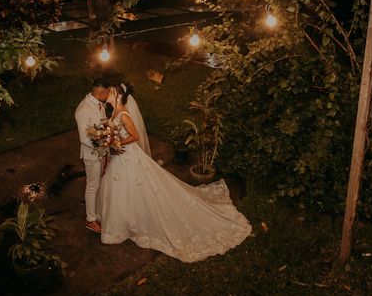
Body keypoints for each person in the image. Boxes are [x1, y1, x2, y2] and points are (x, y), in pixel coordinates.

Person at [96, 85, 251, 262]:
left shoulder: (123, 113)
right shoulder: (114, 110)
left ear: (119, 95)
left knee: (137, 188)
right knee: (119, 189)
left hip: (128, 157)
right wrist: (108, 138)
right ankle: (122, 223)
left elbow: (135, 136)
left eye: (110, 92)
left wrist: (115, 143)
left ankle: (132, 223)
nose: (107, 94)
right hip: (120, 158)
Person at [74, 76, 111, 234]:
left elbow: (101, 125)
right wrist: (106, 143)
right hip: (92, 155)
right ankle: (90, 220)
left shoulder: (98, 104)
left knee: (100, 182)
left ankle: (98, 210)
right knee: (92, 186)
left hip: (102, 152)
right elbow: (84, 139)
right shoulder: (84, 110)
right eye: (107, 92)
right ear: (100, 93)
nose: (109, 95)